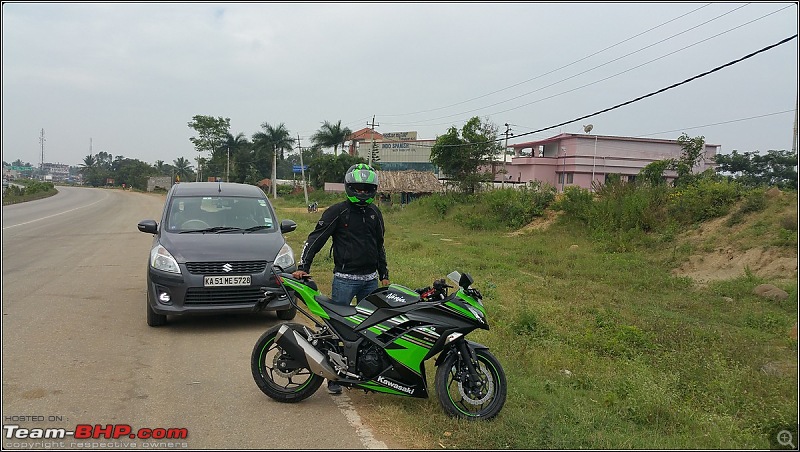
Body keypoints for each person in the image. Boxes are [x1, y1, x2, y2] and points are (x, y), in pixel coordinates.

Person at [292, 163, 390, 395]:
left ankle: (366, 374)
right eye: (358, 188)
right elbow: (315, 240)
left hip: (370, 280)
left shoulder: (376, 213)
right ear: (348, 187)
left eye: (367, 189)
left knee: (371, 329)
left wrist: (384, 274)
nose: (363, 193)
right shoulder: (337, 212)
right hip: (345, 280)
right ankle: (334, 377)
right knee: (338, 330)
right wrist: (302, 266)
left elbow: (379, 246)